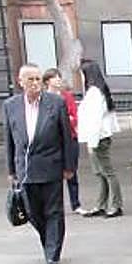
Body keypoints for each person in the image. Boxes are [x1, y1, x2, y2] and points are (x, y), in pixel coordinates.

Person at [3, 63, 76, 264]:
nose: (35, 84)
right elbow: (9, 139)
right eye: (30, 80)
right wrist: (11, 170)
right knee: (33, 213)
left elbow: (66, 137)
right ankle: (49, 241)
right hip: (25, 169)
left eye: (37, 79)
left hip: (51, 165)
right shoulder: (11, 106)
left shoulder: (56, 103)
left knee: (53, 211)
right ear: (21, 82)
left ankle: (52, 254)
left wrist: (69, 166)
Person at [76, 59, 123, 218]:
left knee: (107, 172)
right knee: (100, 173)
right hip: (98, 137)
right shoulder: (97, 91)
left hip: (98, 138)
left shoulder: (95, 93)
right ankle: (101, 204)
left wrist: (92, 143)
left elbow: (95, 120)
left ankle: (115, 205)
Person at [43, 67, 83, 214]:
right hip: (52, 142)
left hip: (70, 138)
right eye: (55, 77)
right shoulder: (44, 98)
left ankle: (76, 203)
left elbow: (74, 117)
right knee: (53, 176)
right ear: (47, 81)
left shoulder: (67, 96)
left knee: (72, 171)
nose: (59, 80)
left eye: (59, 77)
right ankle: (54, 205)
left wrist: (64, 121)